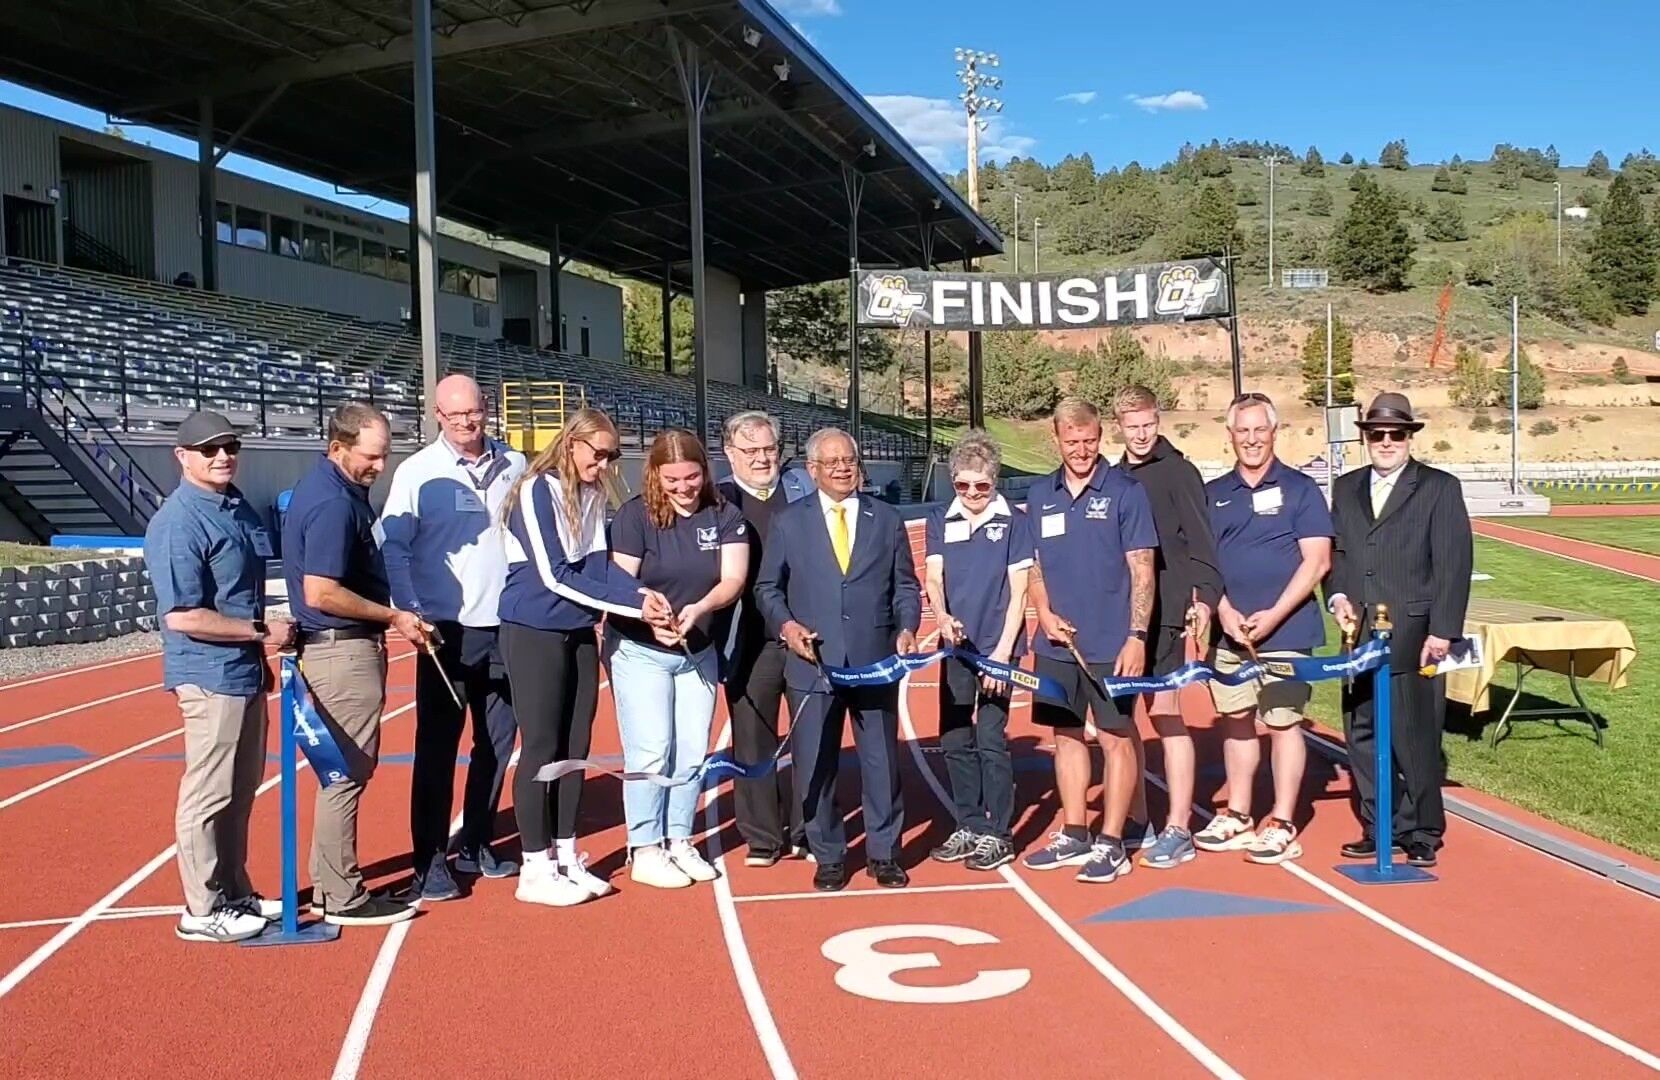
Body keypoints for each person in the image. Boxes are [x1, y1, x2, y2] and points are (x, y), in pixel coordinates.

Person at [497, 408, 673, 907]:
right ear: (571, 444)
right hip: (533, 628)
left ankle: (565, 853)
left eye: (613, 456)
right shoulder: (535, 490)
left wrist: (643, 595)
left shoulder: (592, 495)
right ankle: (534, 866)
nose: (605, 464)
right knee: (541, 747)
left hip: (576, 631)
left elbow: (599, 567)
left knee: (576, 747)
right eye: (599, 454)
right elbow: (553, 575)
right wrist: (633, 606)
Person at [376, 374, 527, 901]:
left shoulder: (516, 464)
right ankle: (429, 860)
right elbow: (394, 548)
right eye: (455, 414)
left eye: (474, 412)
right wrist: (408, 610)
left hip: (505, 625)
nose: (467, 422)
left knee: (498, 743)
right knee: (438, 748)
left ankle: (479, 840)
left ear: (487, 408)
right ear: (438, 415)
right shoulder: (418, 472)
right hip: (445, 630)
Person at [146, 411, 292, 943]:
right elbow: (182, 614)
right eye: (208, 449)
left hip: (244, 669)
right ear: (182, 456)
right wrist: (259, 632)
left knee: (241, 788)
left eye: (229, 446)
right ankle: (201, 906)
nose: (222, 456)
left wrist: (259, 647)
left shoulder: (234, 506)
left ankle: (234, 891)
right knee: (208, 793)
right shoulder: (177, 522)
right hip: (208, 674)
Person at [755, 428, 921, 891]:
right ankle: (828, 854)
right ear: (813, 470)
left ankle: (885, 853)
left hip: (874, 660)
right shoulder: (789, 522)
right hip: (813, 664)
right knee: (815, 762)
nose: (844, 468)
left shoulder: (886, 519)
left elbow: (905, 585)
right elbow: (767, 588)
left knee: (881, 761)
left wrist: (908, 628)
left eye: (849, 460)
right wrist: (786, 626)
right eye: (832, 463)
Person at [283, 403, 430, 926]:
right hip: (340, 650)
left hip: (340, 648)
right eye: (371, 457)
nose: (379, 467)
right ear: (338, 447)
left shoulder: (335, 491)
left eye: (385, 456)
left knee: (342, 771)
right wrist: (392, 615)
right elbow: (322, 591)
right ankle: (343, 895)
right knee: (344, 772)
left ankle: (330, 887)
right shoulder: (331, 504)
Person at [1328, 392, 1472, 868]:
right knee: (1363, 733)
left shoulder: (1438, 488)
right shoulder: (1346, 488)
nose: (1385, 442)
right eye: (1376, 434)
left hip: (1416, 635)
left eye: (1395, 434)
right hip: (1359, 634)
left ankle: (1423, 828)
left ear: (1409, 436)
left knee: (1414, 735)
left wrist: (1444, 631)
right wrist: (1339, 595)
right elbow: (1339, 555)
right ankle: (1379, 825)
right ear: (1365, 437)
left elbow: (1453, 565)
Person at [1021, 397, 1158, 884]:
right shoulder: (1039, 495)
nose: (1081, 450)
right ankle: (1075, 830)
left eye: (1089, 440)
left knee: (1117, 739)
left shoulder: (1125, 491)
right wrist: (1045, 610)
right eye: (1071, 441)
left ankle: (1113, 842)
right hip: (1055, 645)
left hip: (1110, 643)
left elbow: (1142, 567)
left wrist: (1136, 635)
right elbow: (1033, 563)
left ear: (1101, 438)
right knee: (1066, 737)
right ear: (1055, 439)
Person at [1193, 392, 1333, 865]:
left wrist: (1273, 616)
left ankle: (1282, 820)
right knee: (1235, 721)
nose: (1251, 439)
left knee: (1282, 723)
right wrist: (1224, 611)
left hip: (1286, 632)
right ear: (1229, 435)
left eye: (1260, 430)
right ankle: (1237, 811)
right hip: (1231, 633)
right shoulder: (1213, 494)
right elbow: (1203, 565)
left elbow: (1317, 562)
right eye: (1242, 431)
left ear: (1275, 432)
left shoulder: (1301, 490)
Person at [607, 429, 749, 886]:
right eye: (672, 480)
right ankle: (645, 846)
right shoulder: (635, 516)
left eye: (691, 477)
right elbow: (619, 582)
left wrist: (701, 607)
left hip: (698, 649)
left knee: (691, 750)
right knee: (652, 749)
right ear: (655, 475)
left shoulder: (724, 513)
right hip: (641, 649)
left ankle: (679, 838)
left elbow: (733, 580)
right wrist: (648, 608)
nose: (684, 488)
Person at [1111, 385, 1222, 870]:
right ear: (1119, 426)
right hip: (1121, 617)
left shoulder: (1180, 472)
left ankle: (1179, 825)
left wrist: (1203, 600)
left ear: (1159, 421)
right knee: (1119, 722)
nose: (1140, 434)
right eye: (1131, 426)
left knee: (1166, 714)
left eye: (1147, 425)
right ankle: (1138, 816)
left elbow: (1203, 544)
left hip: (1170, 613)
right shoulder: (1112, 477)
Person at [923, 431, 1032, 873]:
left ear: (995, 481)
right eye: (963, 485)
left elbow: (1021, 592)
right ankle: (967, 822)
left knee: (990, 737)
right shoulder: (940, 518)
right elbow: (933, 578)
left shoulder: (1014, 523)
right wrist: (942, 617)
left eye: (981, 486)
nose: (971, 494)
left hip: (997, 646)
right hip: (957, 647)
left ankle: (998, 831)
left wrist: (1002, 655)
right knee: (953, 736)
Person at [718, 411, 809, 868]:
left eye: (768, 449)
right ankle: (762, 837)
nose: (761, 458)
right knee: (753, 738)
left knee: (812, 732)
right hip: (747, 639)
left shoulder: (803, 490)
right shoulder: (717, 500)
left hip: (805, 635)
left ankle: (809, 828)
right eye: (749, 450)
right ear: (730, 454)